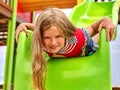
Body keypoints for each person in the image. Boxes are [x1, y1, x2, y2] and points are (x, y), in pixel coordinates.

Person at [15, 8, 114, 90]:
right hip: (64, 53)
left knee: (93, 41)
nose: (53, 43)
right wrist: (24, 25)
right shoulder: (41, 39)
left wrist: (106, 20)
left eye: (58, 36)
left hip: (85, 49)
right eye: (47, 38)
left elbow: (94, 27)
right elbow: (38, 29)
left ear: (66, 33)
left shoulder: (77, 38)